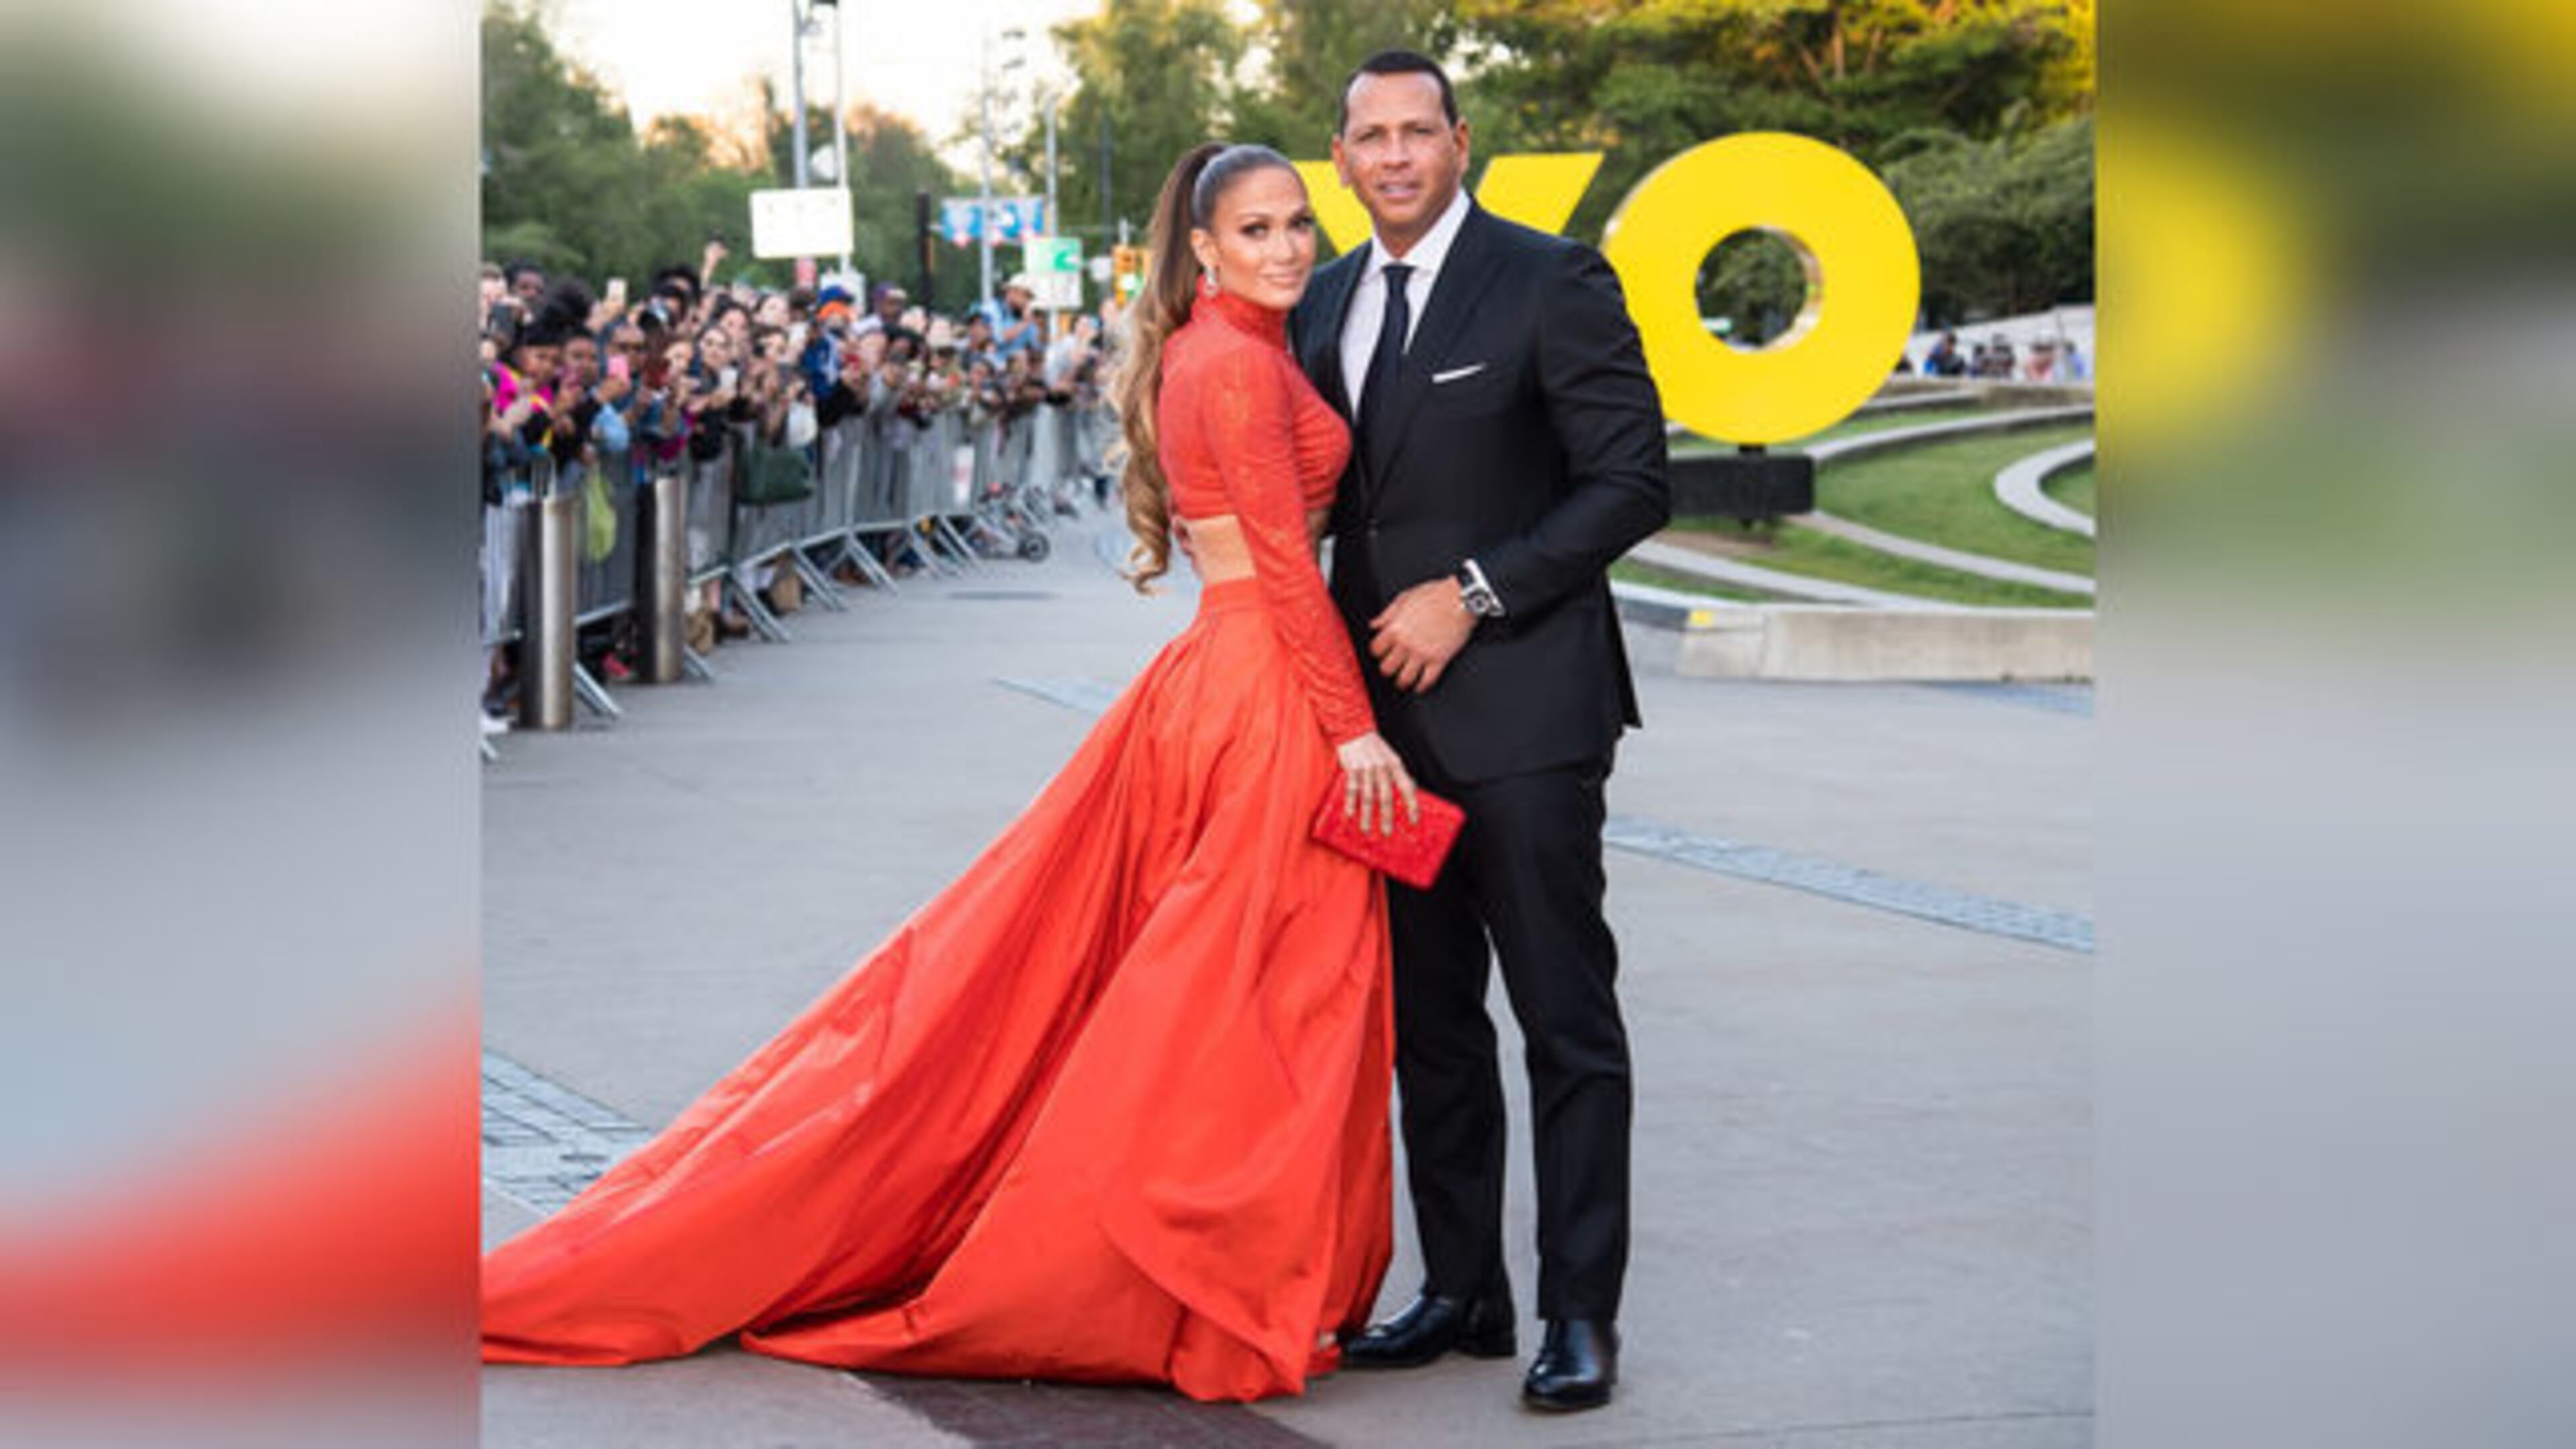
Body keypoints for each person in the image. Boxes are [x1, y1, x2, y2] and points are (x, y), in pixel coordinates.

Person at [482, 142, 1420, 1404]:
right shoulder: (1235, 367)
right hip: (1265, 693)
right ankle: (1173, 1276)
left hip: (1228, 680)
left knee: (1232, 990)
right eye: (1256, 230)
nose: (1289, 247)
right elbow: (1286, 568)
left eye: (1299, 223)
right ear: (1202, 250)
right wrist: (1353, 727)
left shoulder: (1234, 350)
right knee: (1247, 999)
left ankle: (1217, 1271)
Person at [1287, 49, 1670, 1412]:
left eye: (1417, 132)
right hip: (1376, 738)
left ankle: (1580, 1313)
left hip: (1527, 714)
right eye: (1369, 137)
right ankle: (1463, 1293)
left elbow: (1633, 480)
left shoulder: (1550, 277)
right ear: (1340, 158)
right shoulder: (1318, 298)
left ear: (1461, 140)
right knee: (1431, 1026)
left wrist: (1476, 592)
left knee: (1566, 1021)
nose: (1394, 156)